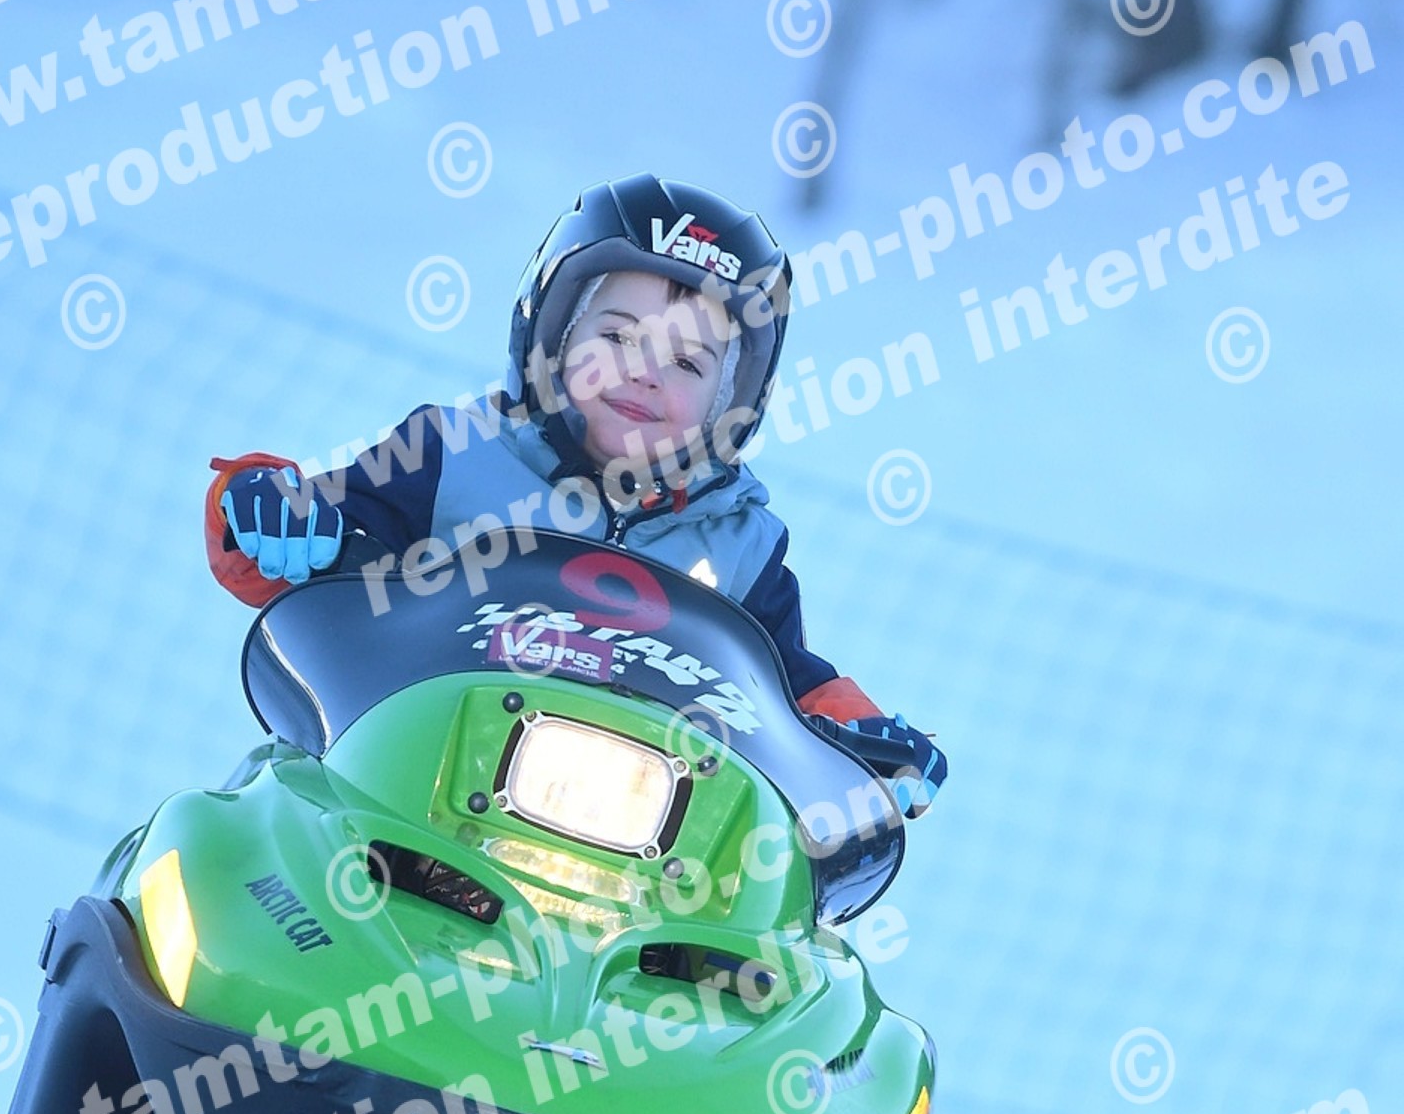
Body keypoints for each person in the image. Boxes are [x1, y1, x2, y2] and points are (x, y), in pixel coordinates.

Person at [204, 174, 945, 812]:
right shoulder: (449, 456)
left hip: (636, 855)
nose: (645, 372)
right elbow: (308, 537)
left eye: (689, 364)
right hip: (396, 786)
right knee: (235, 846)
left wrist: (861, 743)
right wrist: (268, 506)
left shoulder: (742, 550)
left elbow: (787, 689)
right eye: (617, 337)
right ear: (552, 339)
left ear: (730, 403)